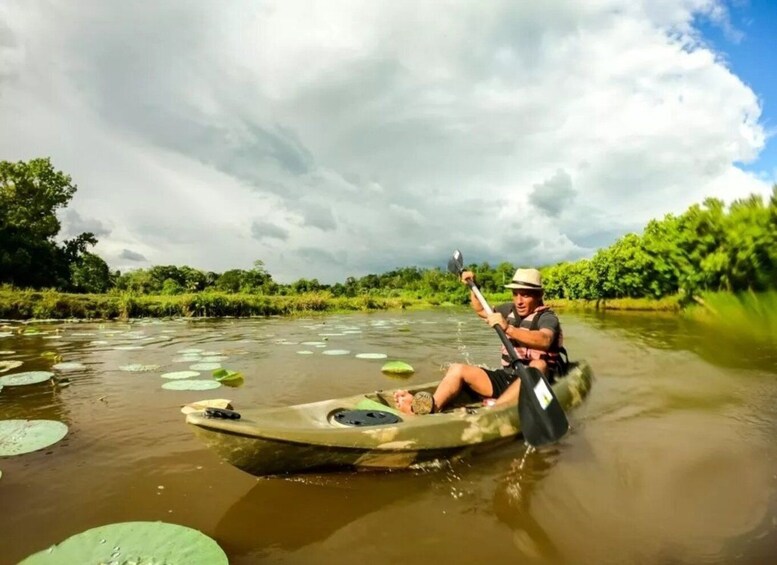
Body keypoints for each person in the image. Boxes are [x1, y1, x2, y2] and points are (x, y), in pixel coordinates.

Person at [394, 267, 566, 415]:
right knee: (457, 368)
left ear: (539, 295)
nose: (519, 301)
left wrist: (508, 328)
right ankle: (431, 406)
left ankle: (494, 413)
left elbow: (545, 340)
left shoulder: (547, 318)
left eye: (526, 295)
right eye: (516, 294)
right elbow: (480, 310)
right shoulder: (509, 309)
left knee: (538, 365)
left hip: (537, 385)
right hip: (508, 377)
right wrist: (473, 285)